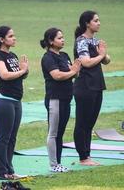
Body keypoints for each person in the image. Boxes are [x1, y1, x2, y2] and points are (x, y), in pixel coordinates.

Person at [0, 26, 29, 179]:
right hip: (4, 101)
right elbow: (4, 75)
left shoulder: (12, 54)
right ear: (1, 39)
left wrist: (24, 70)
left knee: (12, 137)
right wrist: (22, 71)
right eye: (11, 36)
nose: (14, 38)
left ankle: (9, 170)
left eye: (14, 35)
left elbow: (17, 75)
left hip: (16, 101)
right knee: (3, 137)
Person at [40, 27, 81, 172]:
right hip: (54, 99)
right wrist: (73, 71)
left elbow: (72, 73)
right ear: (51, 41)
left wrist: (75, 71)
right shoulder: (48, 58)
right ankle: (53, 165)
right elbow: (56, 76)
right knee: (53, 132)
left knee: (60, 132)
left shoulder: (64, 55)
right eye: (59, 38)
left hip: (66, 98)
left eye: (63, 37)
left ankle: (58, 163)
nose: (63, 40)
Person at [73, 10, 110, 166]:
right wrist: (101, 56)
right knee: (83, 122)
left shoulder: (94, 40)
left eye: (99, 20)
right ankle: (83, 157)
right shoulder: (82, 41)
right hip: (85, 86)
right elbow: (86, 62)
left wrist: (103, 54)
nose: (99, 23)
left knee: (90, 123)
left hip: (96, 85)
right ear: (87, 23)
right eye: (95, 20)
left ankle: (87, 155)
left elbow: (106, 60)